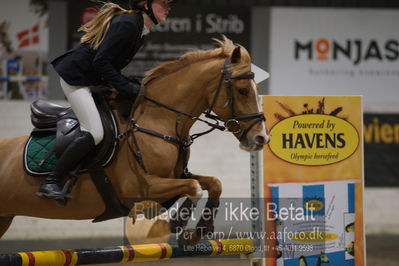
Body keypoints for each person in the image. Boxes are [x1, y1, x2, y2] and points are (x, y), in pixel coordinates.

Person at [37, 0, 174, 199]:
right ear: (145, 4)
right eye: (163, 3)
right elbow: (101, 61)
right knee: (95, 132)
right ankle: (51, 181)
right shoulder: (128, 24)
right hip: (77, 80)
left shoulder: (138, 29)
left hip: (93, 79)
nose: (168, 8)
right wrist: (127, 87)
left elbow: (111, 66)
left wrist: (134, 85)